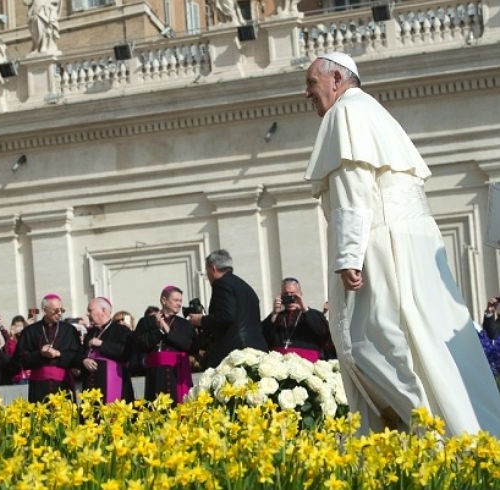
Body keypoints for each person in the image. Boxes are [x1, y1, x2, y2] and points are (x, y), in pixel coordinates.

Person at [303, 51, 500, 436]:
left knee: (372, 345)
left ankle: (430, 436)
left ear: (337, 81)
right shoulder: (374, 113)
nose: (306, 93)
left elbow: (353, 188)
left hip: (380, 246)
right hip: (416, 247)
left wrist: (348, 256)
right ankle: (466, 432)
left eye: (311, 83)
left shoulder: (346, 114)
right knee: (430, 344)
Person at [187, 249, 267, 368]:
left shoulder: (221, 284)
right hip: (256, 348)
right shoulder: (245, 286)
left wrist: (201, 320)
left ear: (213, 269)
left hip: (235, 351)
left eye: (207, 270)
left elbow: (226, 316)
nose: (207, 275)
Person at [13, 294, 81, 402]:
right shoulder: (30, 331)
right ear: (45, 310)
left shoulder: (69, 330)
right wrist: (40, 354)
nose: (59, 313)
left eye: (61, 310)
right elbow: (20, 359)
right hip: (39, 386)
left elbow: (77, 355)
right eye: (56, 310)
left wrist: (59, 354)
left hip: (63, 384)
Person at [135, 286, 196, 404]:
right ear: (163, 300)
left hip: (177, 374)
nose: (179, 304)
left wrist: (168, 331)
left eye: (180, 301)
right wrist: (159, 331)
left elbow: (189, 345)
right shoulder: (146, 322)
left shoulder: (184, 324)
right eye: (175, 300)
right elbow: (139, 345)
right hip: (156, 375)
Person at [261, 278, 330, 362]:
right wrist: (274, 313)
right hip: (278, 365)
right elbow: (263, 336)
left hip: (307, 364)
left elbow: (323, 332)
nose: (290, 297)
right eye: (285, 294)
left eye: (293, 294)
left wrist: (304, 307)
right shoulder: (277, 316)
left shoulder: (313, 314)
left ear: (300, 294)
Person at [81, 297, 135, 404]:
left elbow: (125, 352)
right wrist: (84, 360)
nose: (87, 314)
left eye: (90, 310)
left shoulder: (122, 330)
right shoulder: (91, 332)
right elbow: (81, 352)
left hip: (113, 381)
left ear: (104, 311)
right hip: (91, 383)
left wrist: (102, 344)